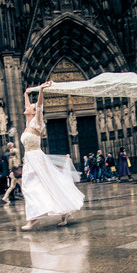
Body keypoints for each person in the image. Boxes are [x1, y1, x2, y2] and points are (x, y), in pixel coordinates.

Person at [20, 81, 84, 230]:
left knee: (39, 186)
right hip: (29, 160)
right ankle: (58, 213)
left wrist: (41, 90)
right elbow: (28, 106)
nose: (27, 107)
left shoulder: (37, 122)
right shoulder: (28, 123)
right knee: (33, 187)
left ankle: (33, 219)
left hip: (37, 158)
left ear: (33, 112)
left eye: (30, 107)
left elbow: (39, 107)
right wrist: (26, 94)